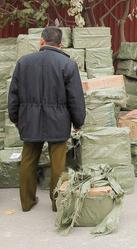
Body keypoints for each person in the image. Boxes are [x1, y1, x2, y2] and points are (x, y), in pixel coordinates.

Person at [7, 26, 86, 212]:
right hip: (58, 120)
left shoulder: (24, 62)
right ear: (61, 44)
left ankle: (26, 203)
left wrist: (15, 118)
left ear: (41, 41)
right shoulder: (68, 64)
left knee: (28, 160)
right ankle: (56, 203)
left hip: (29, 119)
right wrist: (78, 121)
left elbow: (13, 94)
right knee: (57, 164)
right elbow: (75, 97)